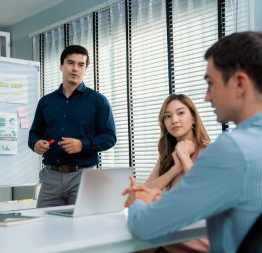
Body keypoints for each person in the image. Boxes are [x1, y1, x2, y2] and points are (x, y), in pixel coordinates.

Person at [122, 31, 262, 253]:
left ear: (239, 84)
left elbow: (144, 226)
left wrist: (139, 200)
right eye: (168, 116)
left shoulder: (231, 150)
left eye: (211, 84)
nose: (207, 96)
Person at [28, 45, 116, 208]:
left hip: (83, 177)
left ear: (85, 69)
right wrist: (36, 143)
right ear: (61, 65)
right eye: (70, 63)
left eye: (81, 65)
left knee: (83, 229)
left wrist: (82, 145)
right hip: (50, 178)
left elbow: (109, 138)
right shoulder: (46, 102)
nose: (75, 68)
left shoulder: (98, 101)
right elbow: (34, 133)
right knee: (46, 228)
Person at [143, 93, 210, 252]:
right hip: (171, 230)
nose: (174, 120)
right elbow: (146, 191)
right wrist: (175, 169)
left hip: (198, 235)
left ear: (193, 118)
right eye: (168, 116)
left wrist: (185, 158)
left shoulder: (209, 150)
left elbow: (203, 194)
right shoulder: (166, 155)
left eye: (180, 113)